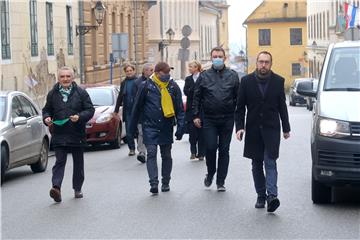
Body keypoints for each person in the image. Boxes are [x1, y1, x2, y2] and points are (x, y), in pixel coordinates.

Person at [235, 51, 291, 212]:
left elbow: (282, 106)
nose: (263, 65)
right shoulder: (246, 82)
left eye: (267, 62)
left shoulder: (278, 81)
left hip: (271, 129)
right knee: (256, 164)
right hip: (253, 129)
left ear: (271, 64)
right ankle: (261, 195)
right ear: (257, 63)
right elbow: (239, 108)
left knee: (270, 161)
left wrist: (286, 128)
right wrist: (239, 127)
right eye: (261, 62)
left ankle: (272, 196)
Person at [130, 62, 185, 194]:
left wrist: (181, 127)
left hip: (166, 126)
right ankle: (153, 183)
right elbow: (136, 108)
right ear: (158, 73)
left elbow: (179, 109)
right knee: (152, 153)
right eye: (165, 72)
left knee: (166, 154)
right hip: (150, 126)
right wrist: (132, 130)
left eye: (168, 72)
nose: (168, 75)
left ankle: (166, 182)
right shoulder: (146, 86)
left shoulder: (173, 86)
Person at [42, 66, 95, 203]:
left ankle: (77, 188)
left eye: (68, 76)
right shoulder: (52, 94)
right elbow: (46, 110)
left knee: (78, 163)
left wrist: (79, 116)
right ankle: (56, 188)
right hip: (59, 134)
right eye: (62, 76)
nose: (65, 79)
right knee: (59, 162)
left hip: (77, 133)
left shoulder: (81, 93)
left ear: (72, 78)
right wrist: (46, 118)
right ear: (58, 78)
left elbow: (90, 110)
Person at [192, 47, 239, 192]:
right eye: (214, 56)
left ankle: (221, 181)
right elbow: (197, 97)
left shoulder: (232, 75)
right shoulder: (204, 76)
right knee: (211, 148)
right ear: (211, 58)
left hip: (227, 118)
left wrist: (239, 120)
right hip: (209, 119)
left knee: (224, 150)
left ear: (224, 58)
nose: (217, 58)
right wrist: (196, 115)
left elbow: (238, 98)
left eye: (220, 56)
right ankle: (211, 172)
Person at [184, 60, 205, 161]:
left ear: (197, 68)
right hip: (190, 109)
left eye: (191, 67)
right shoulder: (188, 79)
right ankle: (193, 151)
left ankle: (201, 153)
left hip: (201, 108)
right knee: (192, 132)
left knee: (201, 132)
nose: (189, 69)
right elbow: (186, 91)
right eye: (189, 67)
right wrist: (194, 89)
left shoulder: (203, 77)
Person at [115, 64, 138, 156]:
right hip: (127, 111)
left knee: (140, 131)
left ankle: (142, 149)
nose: (129, 72)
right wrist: (116, 110)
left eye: (130, 70)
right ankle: (131, 148)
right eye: (127, 71)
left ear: (134, 71)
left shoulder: (138, 81)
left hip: (137, 110)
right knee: (129, 132)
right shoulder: (123, 83)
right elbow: (120, 97)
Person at [133, 63, 154, 163]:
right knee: (141, 133)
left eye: (152, 70)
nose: (152, 72)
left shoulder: (155, 81)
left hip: (152, 113)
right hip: (141, 113)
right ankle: (141, 152)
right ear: (145, 71)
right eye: (150, 70)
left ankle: (151, 151)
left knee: (150, 133)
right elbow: (135, 100)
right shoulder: (137, 83)